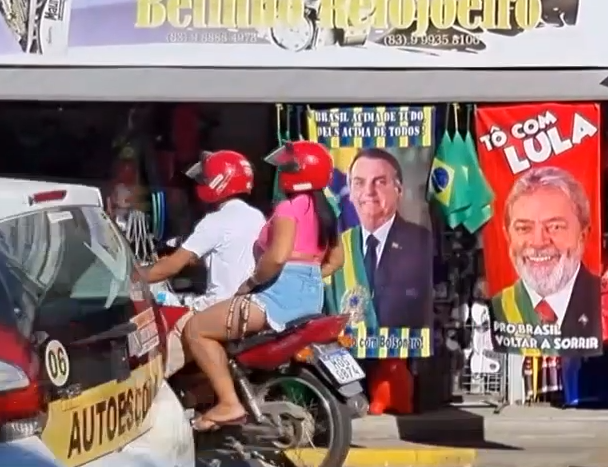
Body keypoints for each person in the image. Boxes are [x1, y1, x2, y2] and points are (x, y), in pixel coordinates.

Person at [186, 140, 343, 431]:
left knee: (196, 329)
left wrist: (251, 282)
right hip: (312, 298)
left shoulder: (288, 208)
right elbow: (336, 260)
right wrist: (305, 277)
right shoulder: (326, 210)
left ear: (297, 172)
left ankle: (229, 404)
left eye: (284, 167)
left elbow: (277, 257)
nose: (279, 173)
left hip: (276, 296)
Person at [144, 150, 264, 375]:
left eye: (206, 178)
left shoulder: (214, 221)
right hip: (248, 305)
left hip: (217, 308)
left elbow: (169, 268)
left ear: (219, 182)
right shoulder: (256, 216)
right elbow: (231, 255)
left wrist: (129, 277)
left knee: (156, 365)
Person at [489, 166, 608, 354]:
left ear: (583, 235)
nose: (538, 242)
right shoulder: (497, 309)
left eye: (555, 227)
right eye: (523, 228)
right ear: (508, 236)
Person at [348, 147, 436, 330]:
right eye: (359, 183)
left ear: (399, 190)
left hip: (402, 353)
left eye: (379, 182)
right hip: (348, 350)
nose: (368, 191)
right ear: (349, 192)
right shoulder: (339, 246)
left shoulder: (421, 243)